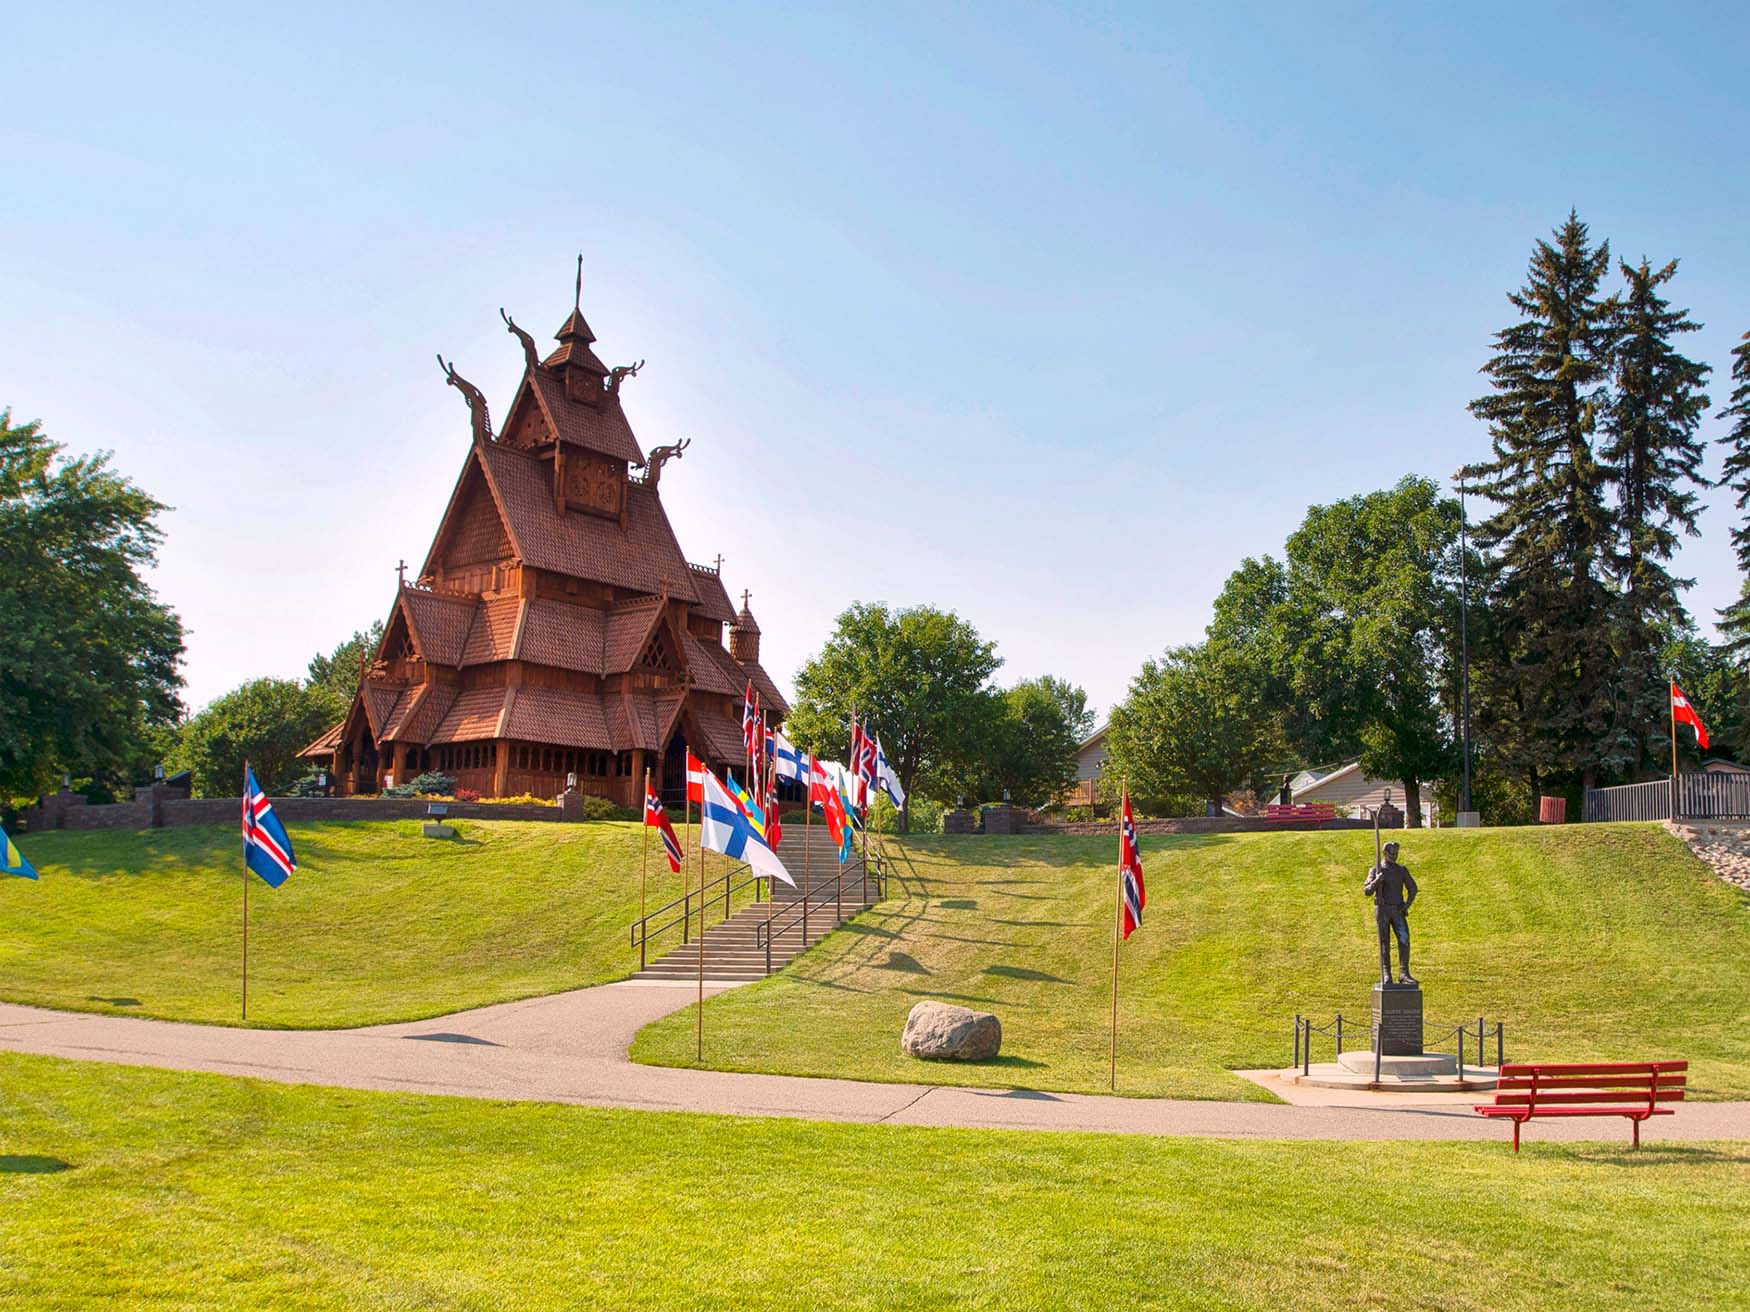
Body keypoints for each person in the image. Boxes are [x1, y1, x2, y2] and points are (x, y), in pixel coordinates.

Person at [1362, 840, 1417, 985]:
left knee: (1404, 939)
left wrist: (1406, 905)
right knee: (1384, 942)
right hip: (1383, 910)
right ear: (1385, 853)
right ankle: (1386, 973)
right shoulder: (1376, 870)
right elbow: (1367, 891)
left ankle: (1404, 973)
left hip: (1397, 910)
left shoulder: (1401, 870)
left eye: (1396, 853)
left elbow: (1413, 888)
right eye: (1391, 853)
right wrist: (1377, 881)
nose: (1394, 856)